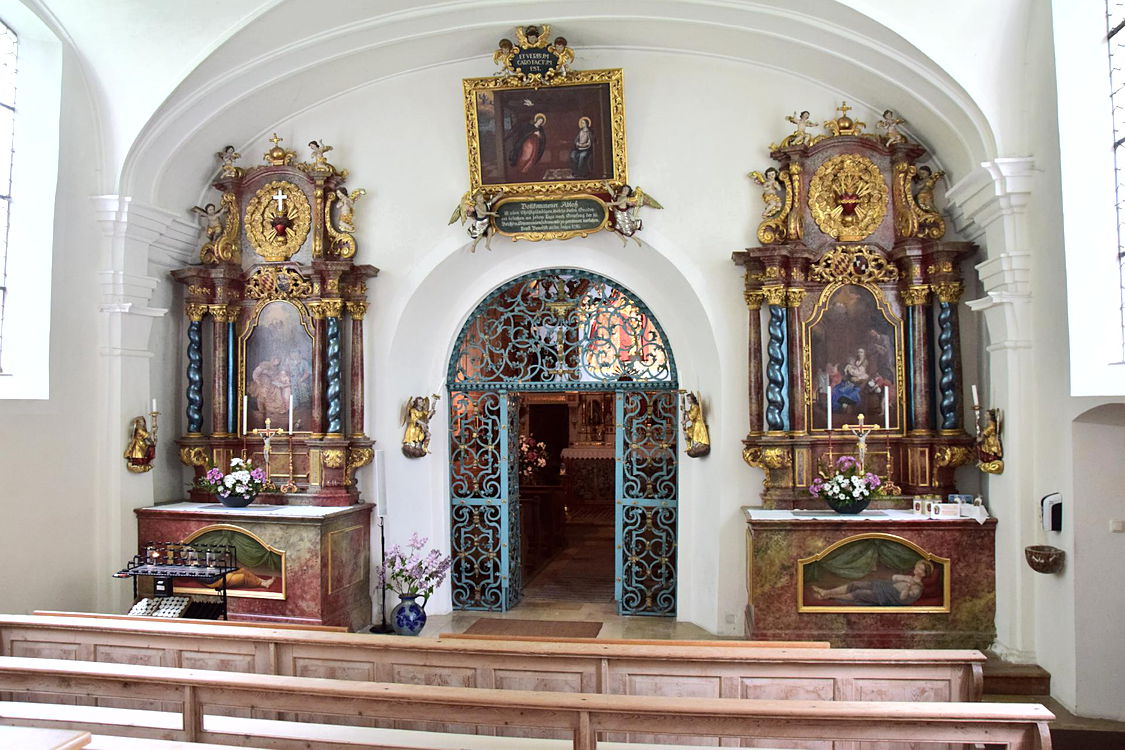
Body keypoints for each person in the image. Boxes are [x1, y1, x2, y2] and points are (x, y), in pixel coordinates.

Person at [812, 560, 934, 606]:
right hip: (884, 587)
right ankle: (826, 591)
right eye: (918, 566)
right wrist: (904, 578)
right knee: (855, 584)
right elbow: (894, 578)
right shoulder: (909, 578)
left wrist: (907, 588)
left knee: (859, 593)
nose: (917, 569)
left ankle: (829, 596)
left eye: (920, 569)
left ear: (924, 574)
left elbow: (902, 599)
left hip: (887, 597)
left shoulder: (917, 588)